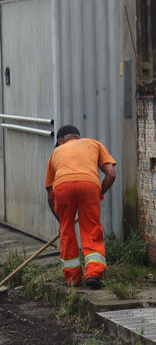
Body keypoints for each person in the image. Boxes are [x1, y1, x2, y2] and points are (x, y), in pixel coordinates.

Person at [45, 124, 117, 289]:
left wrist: (62, 221)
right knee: (91, 229)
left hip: (62, 186)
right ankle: (93, 274)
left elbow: (50, 194)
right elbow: (111, 174)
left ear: (61, 140)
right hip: (89, 184)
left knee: (67, 231)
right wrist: (98, 194)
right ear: (78, 137)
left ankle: (72, 278)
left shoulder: (56, 152)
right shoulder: (94, 144)